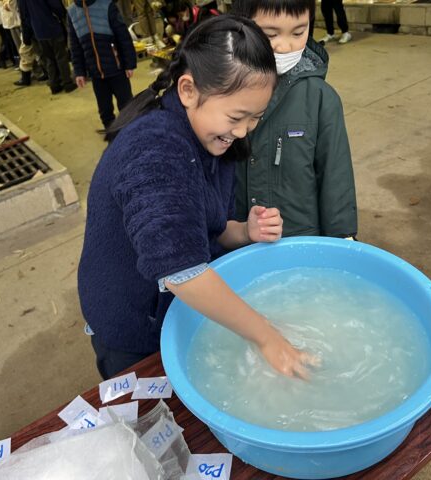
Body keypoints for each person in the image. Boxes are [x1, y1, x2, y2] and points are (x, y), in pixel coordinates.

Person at [78, 15, 315, 381]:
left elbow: (207, 229)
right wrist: (268, 338)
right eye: (236, 116)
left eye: (255, 118)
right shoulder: (154, 149)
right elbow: (181, 271)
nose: (243, 131)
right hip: (134, 322)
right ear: (188, 90)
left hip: (177, 307)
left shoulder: (212, 139)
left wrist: (244, 231)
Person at [231, 0, 357, 240]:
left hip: (301, 239)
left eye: (298, 32)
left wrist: (342, 237)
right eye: (271, 34)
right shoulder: (224, 89)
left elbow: (336, 178)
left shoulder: (321, 98)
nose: (285, 46)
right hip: (237, 240)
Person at [67, 0, 137, 129]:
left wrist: (129, 63)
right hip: (95, 74)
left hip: (117, 68)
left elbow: (123, 36)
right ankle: (110, 131)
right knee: (104, 109)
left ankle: (130, 131)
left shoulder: (107, 5)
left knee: (126, 105)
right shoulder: (72, 12)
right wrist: (79, 71)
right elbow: (75, 46)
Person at [18, 0, 77, 94]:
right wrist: (63, 15)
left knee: (48, 59)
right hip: (52, 26)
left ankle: (54, 85)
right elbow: (56, 6)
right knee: (61, 57)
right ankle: (67, 83)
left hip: (38, 31)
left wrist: (27, 34)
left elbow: (24, 15)